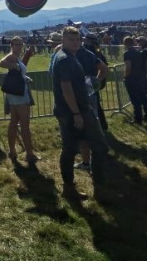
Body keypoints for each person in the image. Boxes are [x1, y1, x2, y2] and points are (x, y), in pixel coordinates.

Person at [51, 27, 110, 201]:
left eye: (77, 40)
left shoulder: (69, 56)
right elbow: (66, 88)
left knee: (73, 149)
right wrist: (77, 113)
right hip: (74, 112)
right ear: (63, 40)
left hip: (77, 109)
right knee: (94, 147)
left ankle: (78, 188)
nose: (75, 43)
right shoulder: (64, 60)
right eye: (71, 40)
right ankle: (90, 188)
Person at [0, 37, 38, 164]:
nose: (19, 47)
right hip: (19, 94)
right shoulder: (11, 56)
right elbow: (1, 63)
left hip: (16, 93)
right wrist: (13, 66)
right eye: (17, 44)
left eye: (21, 44)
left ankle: (12, 151)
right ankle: (30, 154)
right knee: (25, 124)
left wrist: (25, 76)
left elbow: (20, 70)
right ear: (11, 45)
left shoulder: (17, 57)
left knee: (14, 122)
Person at [122, 37, 147, 124]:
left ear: (125, 44)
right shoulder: (139, 53)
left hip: (131, 78)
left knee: (135, 99)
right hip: (140, 78)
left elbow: (128, 67)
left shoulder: (127, 53)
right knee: (143, 97)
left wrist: (125, 76)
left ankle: (138, 118)